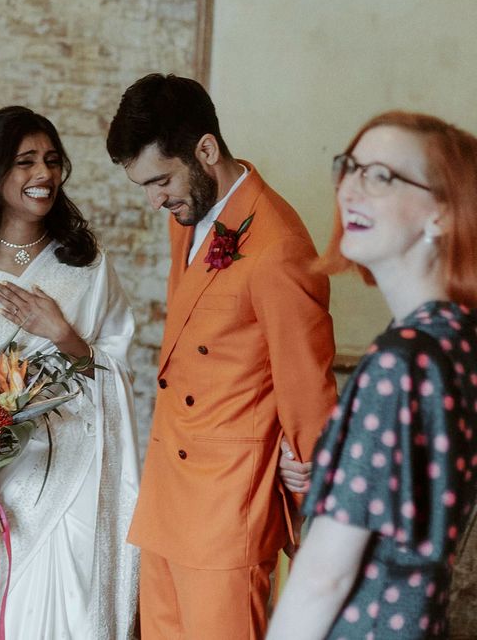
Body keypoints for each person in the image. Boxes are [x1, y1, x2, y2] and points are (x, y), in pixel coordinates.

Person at [106, 73, 336, 638]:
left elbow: (308, 389)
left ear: (205, 149)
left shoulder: (279, 248)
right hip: (168, 497)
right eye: (144, 186)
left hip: (229, 510)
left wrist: (315, 506)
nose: (154, 199)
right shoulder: (185, 219)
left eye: (160, 180)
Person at [0, 106, 140, 639]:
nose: (44, 175)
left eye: (53, 161)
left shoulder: (86, 265)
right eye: (26, 162)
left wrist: (59, 331)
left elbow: (116, 365)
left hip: (68, 474)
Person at [267, 111, 477, 639]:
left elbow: (323, 575)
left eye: (381, 176)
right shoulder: (457, 338)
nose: (349, 188)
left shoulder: (401, 359)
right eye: (350, 167)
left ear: (443, 215)